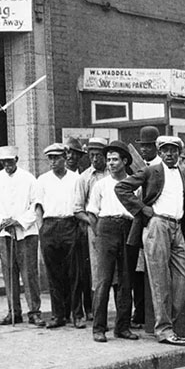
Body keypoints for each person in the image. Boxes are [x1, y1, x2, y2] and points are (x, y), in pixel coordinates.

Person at [115, 136, 185, 346]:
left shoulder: (183, 173)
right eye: (165, 150)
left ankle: (167, 323)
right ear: (159, 153)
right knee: (159, 281)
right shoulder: (151, 171)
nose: (170, 154)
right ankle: (164, 330)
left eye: (174, 150)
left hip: (177, 227)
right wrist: (142, 209)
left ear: (179, 153)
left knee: (183, 277)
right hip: (157, 225)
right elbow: (122, 188)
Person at [0, 146, 45, 327]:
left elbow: (36, 205)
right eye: (4, 162)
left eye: (10, 161)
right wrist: (3, 221)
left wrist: (18, 221)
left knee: (29, 274)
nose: (7, 165)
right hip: (5, 233)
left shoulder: (29, 179)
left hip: (26, 233)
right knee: (9, 273)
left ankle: (34, 312)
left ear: (16, 159)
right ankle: (14, 312)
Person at [86, 142, 138, 343]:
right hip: (106, 228)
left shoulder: (134, 184)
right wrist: (99, 234)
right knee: (103, 280)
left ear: (124, 161)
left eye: (115, 159)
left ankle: (122, 327)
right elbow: (92, 213)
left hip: (128, 227)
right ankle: (99, 328)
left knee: (126, 280)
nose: (110, 163)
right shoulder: (100, 185)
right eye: (108, 160)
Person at [35, 143, 81, 329]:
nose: (53, 161)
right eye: (50, 158)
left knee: (74, 273)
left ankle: (76, 315)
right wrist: (41, 229)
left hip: (70, 224)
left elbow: (80, 205)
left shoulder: (75, 179)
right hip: (50, 226)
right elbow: (38, 207)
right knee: (54, 274)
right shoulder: (43, 180)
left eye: (57, 157)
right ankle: (58, 315)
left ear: (65, 157)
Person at [73, 137, 109, 324]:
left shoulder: (115, 173)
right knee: (97, 273)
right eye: (92, 155)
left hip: (116, 226)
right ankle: (96, 315)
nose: (95, 159)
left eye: (99, 155)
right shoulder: (84, 178)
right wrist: (93, 223)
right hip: (94, 229)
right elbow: (78, 209)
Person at [130, 126, 161, 328]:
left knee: (155, 269)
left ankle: (152, 315)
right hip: (140, 223)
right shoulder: (138, 166)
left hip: (156, 221)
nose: (145, 149)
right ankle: (140, 311)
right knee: (138, 270)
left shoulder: (161, 167)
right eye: (143, 146)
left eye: (149, 146)